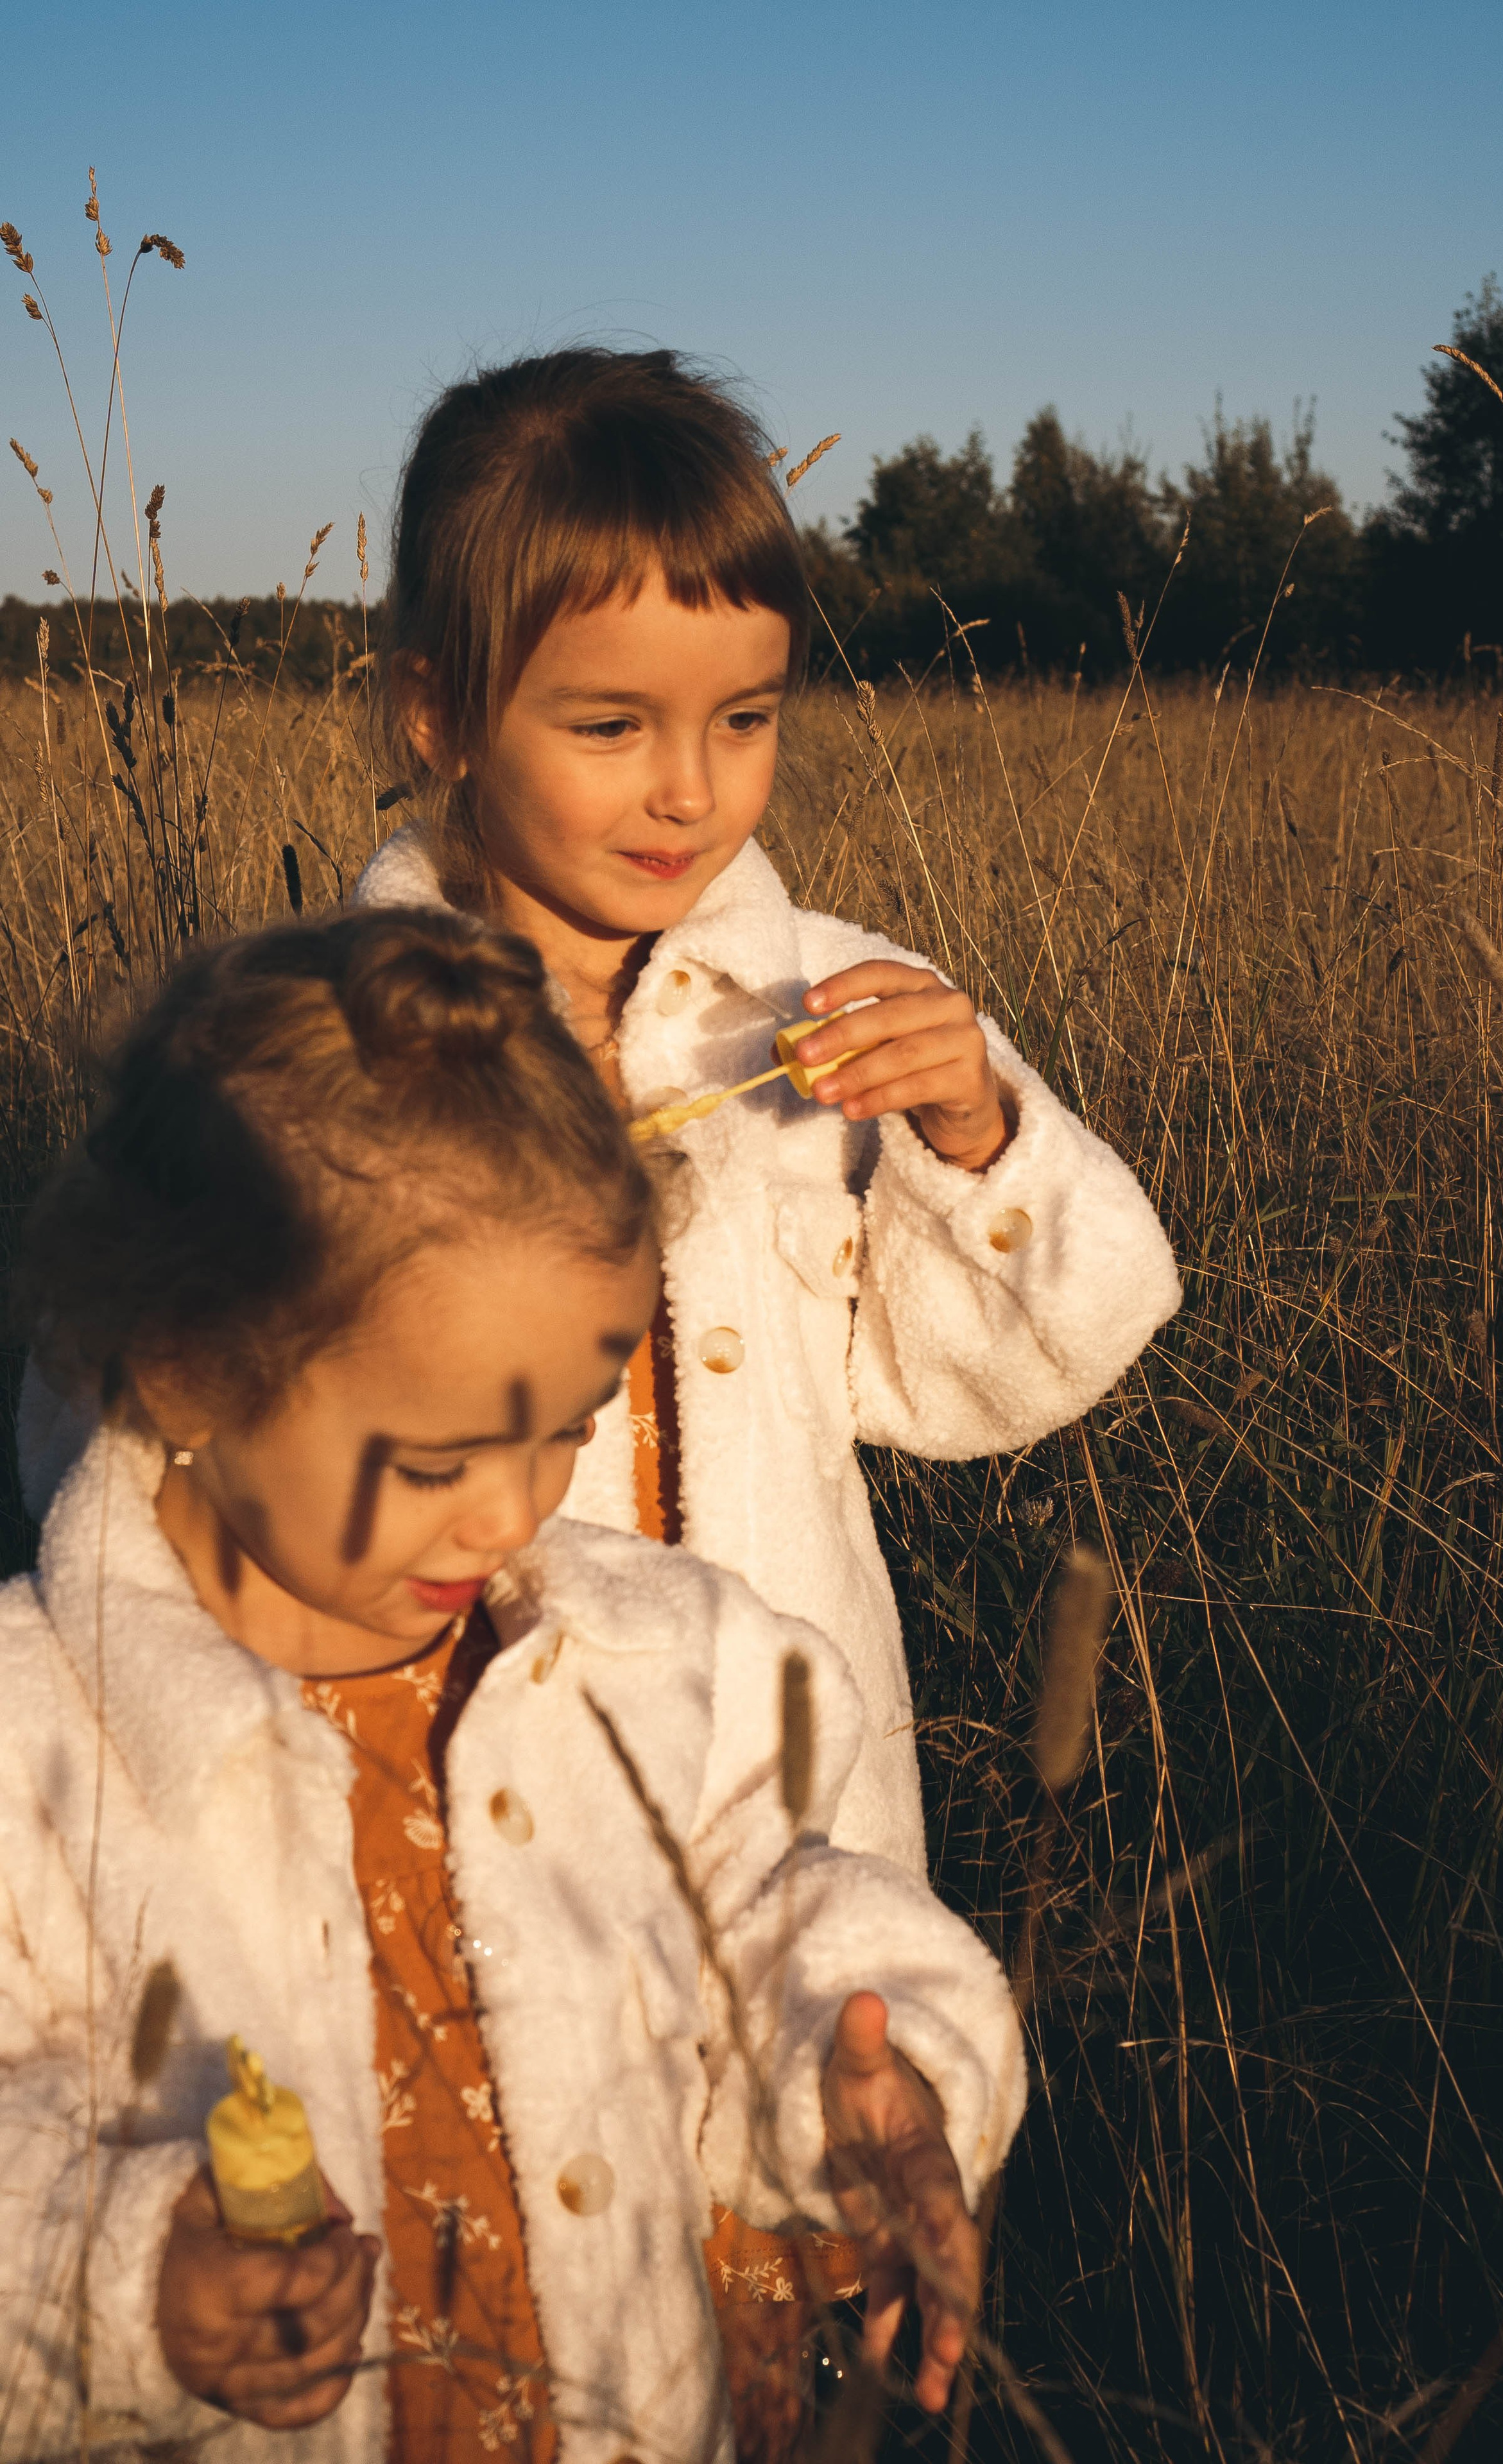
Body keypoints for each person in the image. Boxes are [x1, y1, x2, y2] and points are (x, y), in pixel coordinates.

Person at [0, 909, 1024, 2464]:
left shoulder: (650, 1660)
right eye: (437, 1457)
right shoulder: (37, 1750)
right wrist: (135, 2274)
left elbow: (766, 1907)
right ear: (190, 1364)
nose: (511, 1514)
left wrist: (872, 2084)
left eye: (563, 1427)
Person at [350, 343, 1181, 1882]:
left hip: (805, 1832)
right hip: (481, 1851)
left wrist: (974, 1131)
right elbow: (141, 1460)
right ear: (438, 713)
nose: (690, 789)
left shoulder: (838, 1004)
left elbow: (1028, 1361)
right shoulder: (314, 1056)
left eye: (744, 717)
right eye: (610, 727)